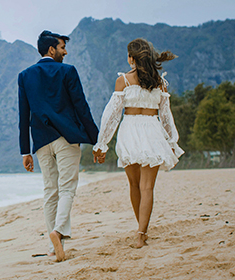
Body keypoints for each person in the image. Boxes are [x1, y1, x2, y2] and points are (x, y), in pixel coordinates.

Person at [92, 38, 184, 248]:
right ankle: (142, 232)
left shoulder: (123, 80)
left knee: (134, 185)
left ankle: (141, 230)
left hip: (130, 130)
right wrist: (171, 141)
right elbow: (166, 115)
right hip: (152, 130)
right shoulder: (159, 82)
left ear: (131, 58)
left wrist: (101, 144)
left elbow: (111, 116)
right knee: (147, 187)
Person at [18, 30, 99, 262]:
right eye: (62, 47)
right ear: (51, 49)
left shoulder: (25, 76)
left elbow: (24, 115)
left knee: (50, 192)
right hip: (67, 138)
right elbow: (81, 107)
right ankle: (58, 231)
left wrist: (25, 150)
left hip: (41, 141)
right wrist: (96, 140)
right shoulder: (68, 71)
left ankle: (54, 248)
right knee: (67, 188)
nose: (66, 51)